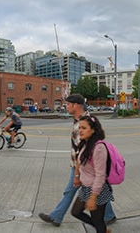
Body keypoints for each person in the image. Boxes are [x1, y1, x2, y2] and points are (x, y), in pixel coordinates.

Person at [38, 94, 116, 227]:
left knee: (72, 191)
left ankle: (56, 217)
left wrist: (77, 173)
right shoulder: (82, 120)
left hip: (82, 166)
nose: (66, 107)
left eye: (68, 104)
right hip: (82, 165)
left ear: (76, 105)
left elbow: (83, 150)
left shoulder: (84, 123)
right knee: (97, 190)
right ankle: (109, 216)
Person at [71, 114, 113, 233]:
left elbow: (101, 175)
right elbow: (79, 161)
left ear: (93, 130)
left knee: (97, 220)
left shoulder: (98, 148)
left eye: (84, 128)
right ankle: (102, 229)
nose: (80, 131)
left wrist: (93, 198)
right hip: (85, 187)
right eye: (79, 128)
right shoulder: (85, 143)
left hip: (97, 190)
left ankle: (102, 230)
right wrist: (77, 176)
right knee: (76, 212)